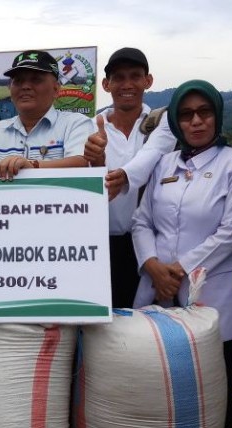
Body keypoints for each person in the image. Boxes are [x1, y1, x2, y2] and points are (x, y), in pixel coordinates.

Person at [131, 79, 232, 428]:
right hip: (158, 293)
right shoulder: (164, 164)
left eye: (204, 112)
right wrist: (152, 266)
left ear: (216, 116)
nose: (196, 121)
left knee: (210, 392)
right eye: (186, 115)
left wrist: (180, 270)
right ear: (176, 122)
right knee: (165, 389)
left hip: (210, 297)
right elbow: (142, 221)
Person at [82, 47, 177, 308]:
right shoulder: (89, 127)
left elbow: (153, 152)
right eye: (118, 77)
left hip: (149, 249)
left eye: (135, 76)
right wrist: (96, 161)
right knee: (103, 328)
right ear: (106, 84)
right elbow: (84, 184)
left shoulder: (163, 122)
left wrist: (123, 176)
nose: (127, 84)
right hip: (99, 246)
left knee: (147, 328)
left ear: (148, 81)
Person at [0, 49, 93, 179]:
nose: (25, 86)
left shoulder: (76, 123)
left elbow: (81, 164)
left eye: (36, 80)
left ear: (56, 89)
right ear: (10, 88)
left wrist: (32, 166)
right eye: (18, 80)